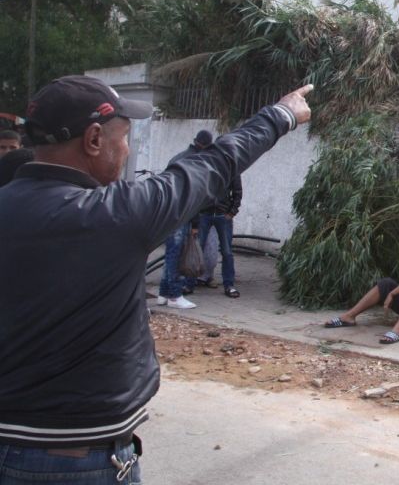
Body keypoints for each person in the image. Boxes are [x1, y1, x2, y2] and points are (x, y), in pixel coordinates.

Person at [0, 75, 311, 483]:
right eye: (124, 137)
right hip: (77, 460)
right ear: (94, 139)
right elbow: (213, 164)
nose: (126, 150)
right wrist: (282, 114)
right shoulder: (115, 216)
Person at [156, 130, 215, 309]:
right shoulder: (197, 162)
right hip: (182, 214)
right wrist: (195, 223)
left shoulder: (178, 158)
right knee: (178, 255)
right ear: (206, 145)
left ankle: (164, 293)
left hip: (169, 212)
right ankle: (174, 295)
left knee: (170, 254)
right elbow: (195, 196)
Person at [198, 136, 243, 298]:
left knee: (227, 251)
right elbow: (199, 189)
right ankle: (189, 282)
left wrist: (231, 212)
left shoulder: (232, 167)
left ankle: (229, 284)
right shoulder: (206, 164)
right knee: (197, 247)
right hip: (206, 213)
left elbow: (237, 192)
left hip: (223, 215)